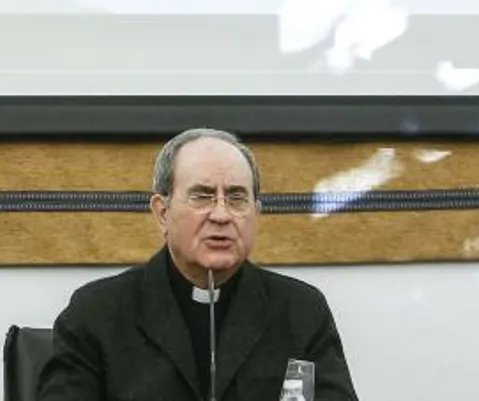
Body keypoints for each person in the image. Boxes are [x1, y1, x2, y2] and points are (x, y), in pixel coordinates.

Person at [36, 128, 362, 401]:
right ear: (162, 212)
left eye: (236, 198)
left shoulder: (302, 312)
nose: (221, 215)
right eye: (202, 196)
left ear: (256, 213)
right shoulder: (96, 314)